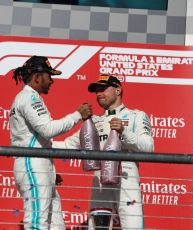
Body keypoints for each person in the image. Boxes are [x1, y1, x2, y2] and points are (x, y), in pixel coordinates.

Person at [53, 74, 154, 229]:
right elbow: (67, 145)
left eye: (103, 89)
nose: (98, 94)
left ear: (118, 90)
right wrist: (35, 145)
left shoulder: (137, 116)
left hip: (127, 179)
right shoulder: (93, 121)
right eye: (96, 91)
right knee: (97, 227)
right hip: (100, 182)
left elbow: (148, 147)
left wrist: (124, 132)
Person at [9, 55, 92, 229]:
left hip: (40, 166)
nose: (52, 81)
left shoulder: (30, 97)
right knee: (37, 223)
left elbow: (41, 138)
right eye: (49, 75)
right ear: (37, 77)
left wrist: (50, 171)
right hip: (33, 166)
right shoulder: (29, 98)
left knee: (55, 225)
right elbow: (48, 129)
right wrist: (78, 115)